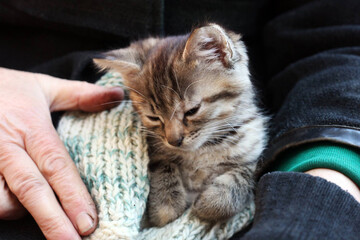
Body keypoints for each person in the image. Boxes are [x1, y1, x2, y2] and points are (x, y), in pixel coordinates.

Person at [0, 0, 359, 239]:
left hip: (294, 150)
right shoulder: (144, 90)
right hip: (31, 135)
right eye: (156, 119)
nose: (173, 136)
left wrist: (329, 174)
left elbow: (340, 43)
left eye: (190, 113)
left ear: (222, 55)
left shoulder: (217, 71)